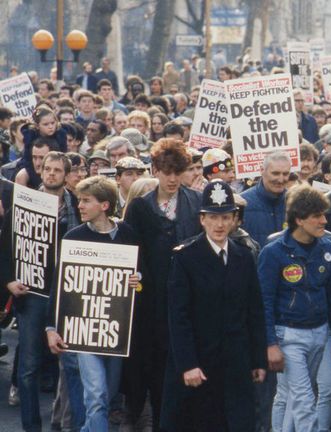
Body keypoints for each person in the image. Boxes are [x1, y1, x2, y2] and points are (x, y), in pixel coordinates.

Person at [162, 180, 268, 430]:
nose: (219, 224)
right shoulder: (186, 257)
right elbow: (179, 317)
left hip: (236, 361)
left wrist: (257, 359)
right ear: (202, 219)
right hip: (201, 363)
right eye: (213, 217)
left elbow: (254, 311)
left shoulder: (243, 256)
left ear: (234, 219)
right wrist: (188, 364)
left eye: (225, 217)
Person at [45, 175, 141, 431]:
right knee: (96, 397)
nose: (80, 206)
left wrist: (137, 281)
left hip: (115, 332)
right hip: (83, 333)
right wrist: (51, 328)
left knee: (107, 398)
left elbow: (143, 280)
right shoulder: (74, 237)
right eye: (79, 200)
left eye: (86, 201)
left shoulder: (128, 235)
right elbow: (59, 287)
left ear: (105, 205)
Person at [122, 138, 202, 427]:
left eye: (177, 171)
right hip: (152, 305)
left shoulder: (197, 203)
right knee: (156, 376)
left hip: (190, 302)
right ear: (154, 170)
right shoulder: (141, 208)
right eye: (166, 171)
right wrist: (134, 278)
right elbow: (131, 252)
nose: (172, 178)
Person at [0, 151, 82, 431]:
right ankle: (31, 426)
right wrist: (9, 281)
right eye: (47, 168)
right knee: (29, 366)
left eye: (57, 170)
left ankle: (66, 424)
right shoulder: (23, 205)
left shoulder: (79, 208)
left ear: (67, 174)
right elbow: (4, 247)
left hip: (68, 293)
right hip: (33, 293)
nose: (50, 174)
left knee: (71, 364)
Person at [258, 185, 331, 431]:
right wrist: (270, 343)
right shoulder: (273, 253)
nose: (324, 221)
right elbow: (263, 301)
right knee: (304, 398)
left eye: (324, 214)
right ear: (299, 219)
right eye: (317, 216)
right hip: (288, 335)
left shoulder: (328, 248)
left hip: (320, 333)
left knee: (294, 396)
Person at [241, 151, 290, 247]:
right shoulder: (243, 204)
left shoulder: (295, 203)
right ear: (262, 170)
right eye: (275, 173)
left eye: (285, 174)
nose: (280, 179)